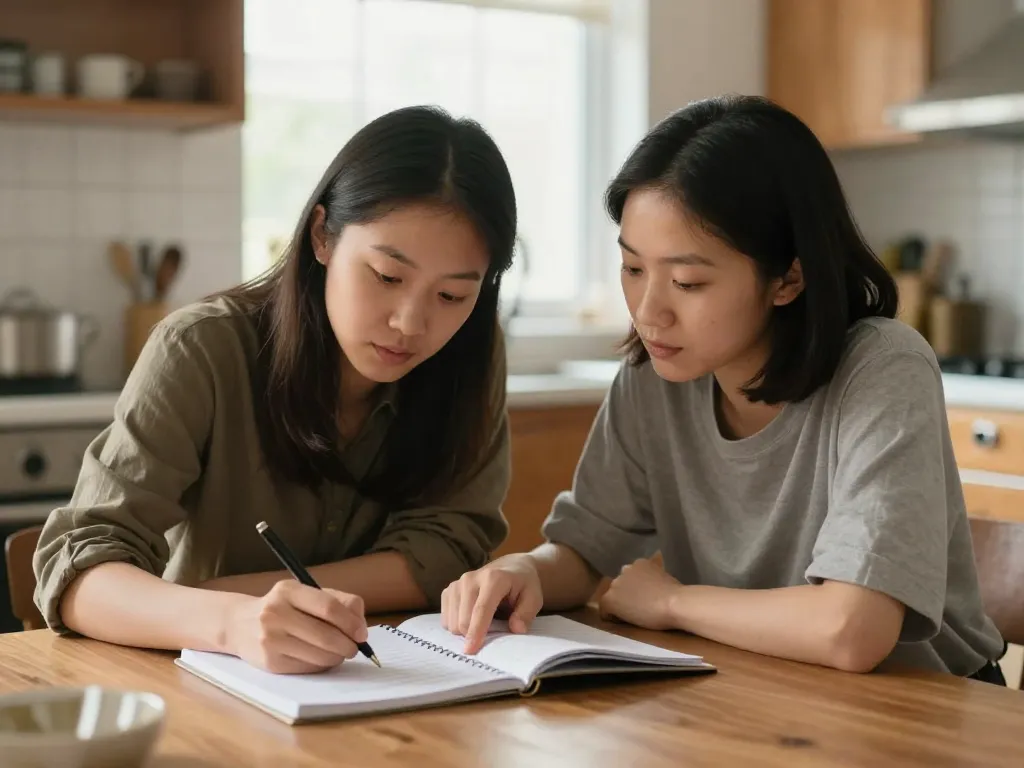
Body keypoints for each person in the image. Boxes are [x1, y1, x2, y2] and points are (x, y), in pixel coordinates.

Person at [440, 94, 1007, 683]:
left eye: (687, 281)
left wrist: (672, 601)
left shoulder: (882, 368)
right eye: (634, 269)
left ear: (788, 277)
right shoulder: (654, 375)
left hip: (927, 710)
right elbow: (585, 552)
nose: (648, 312)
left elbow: (851, 629)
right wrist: (525, 572)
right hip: (763, 688)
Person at [33, 105, 518, 675]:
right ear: (322, 237)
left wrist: (238, 590)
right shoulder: (203, 347)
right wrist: (234, 620)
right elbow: (78, 572)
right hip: (202, 689)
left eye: (453, 296)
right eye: (387, 277)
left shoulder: (469, 359)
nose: (411, 324)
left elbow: (450, 548)